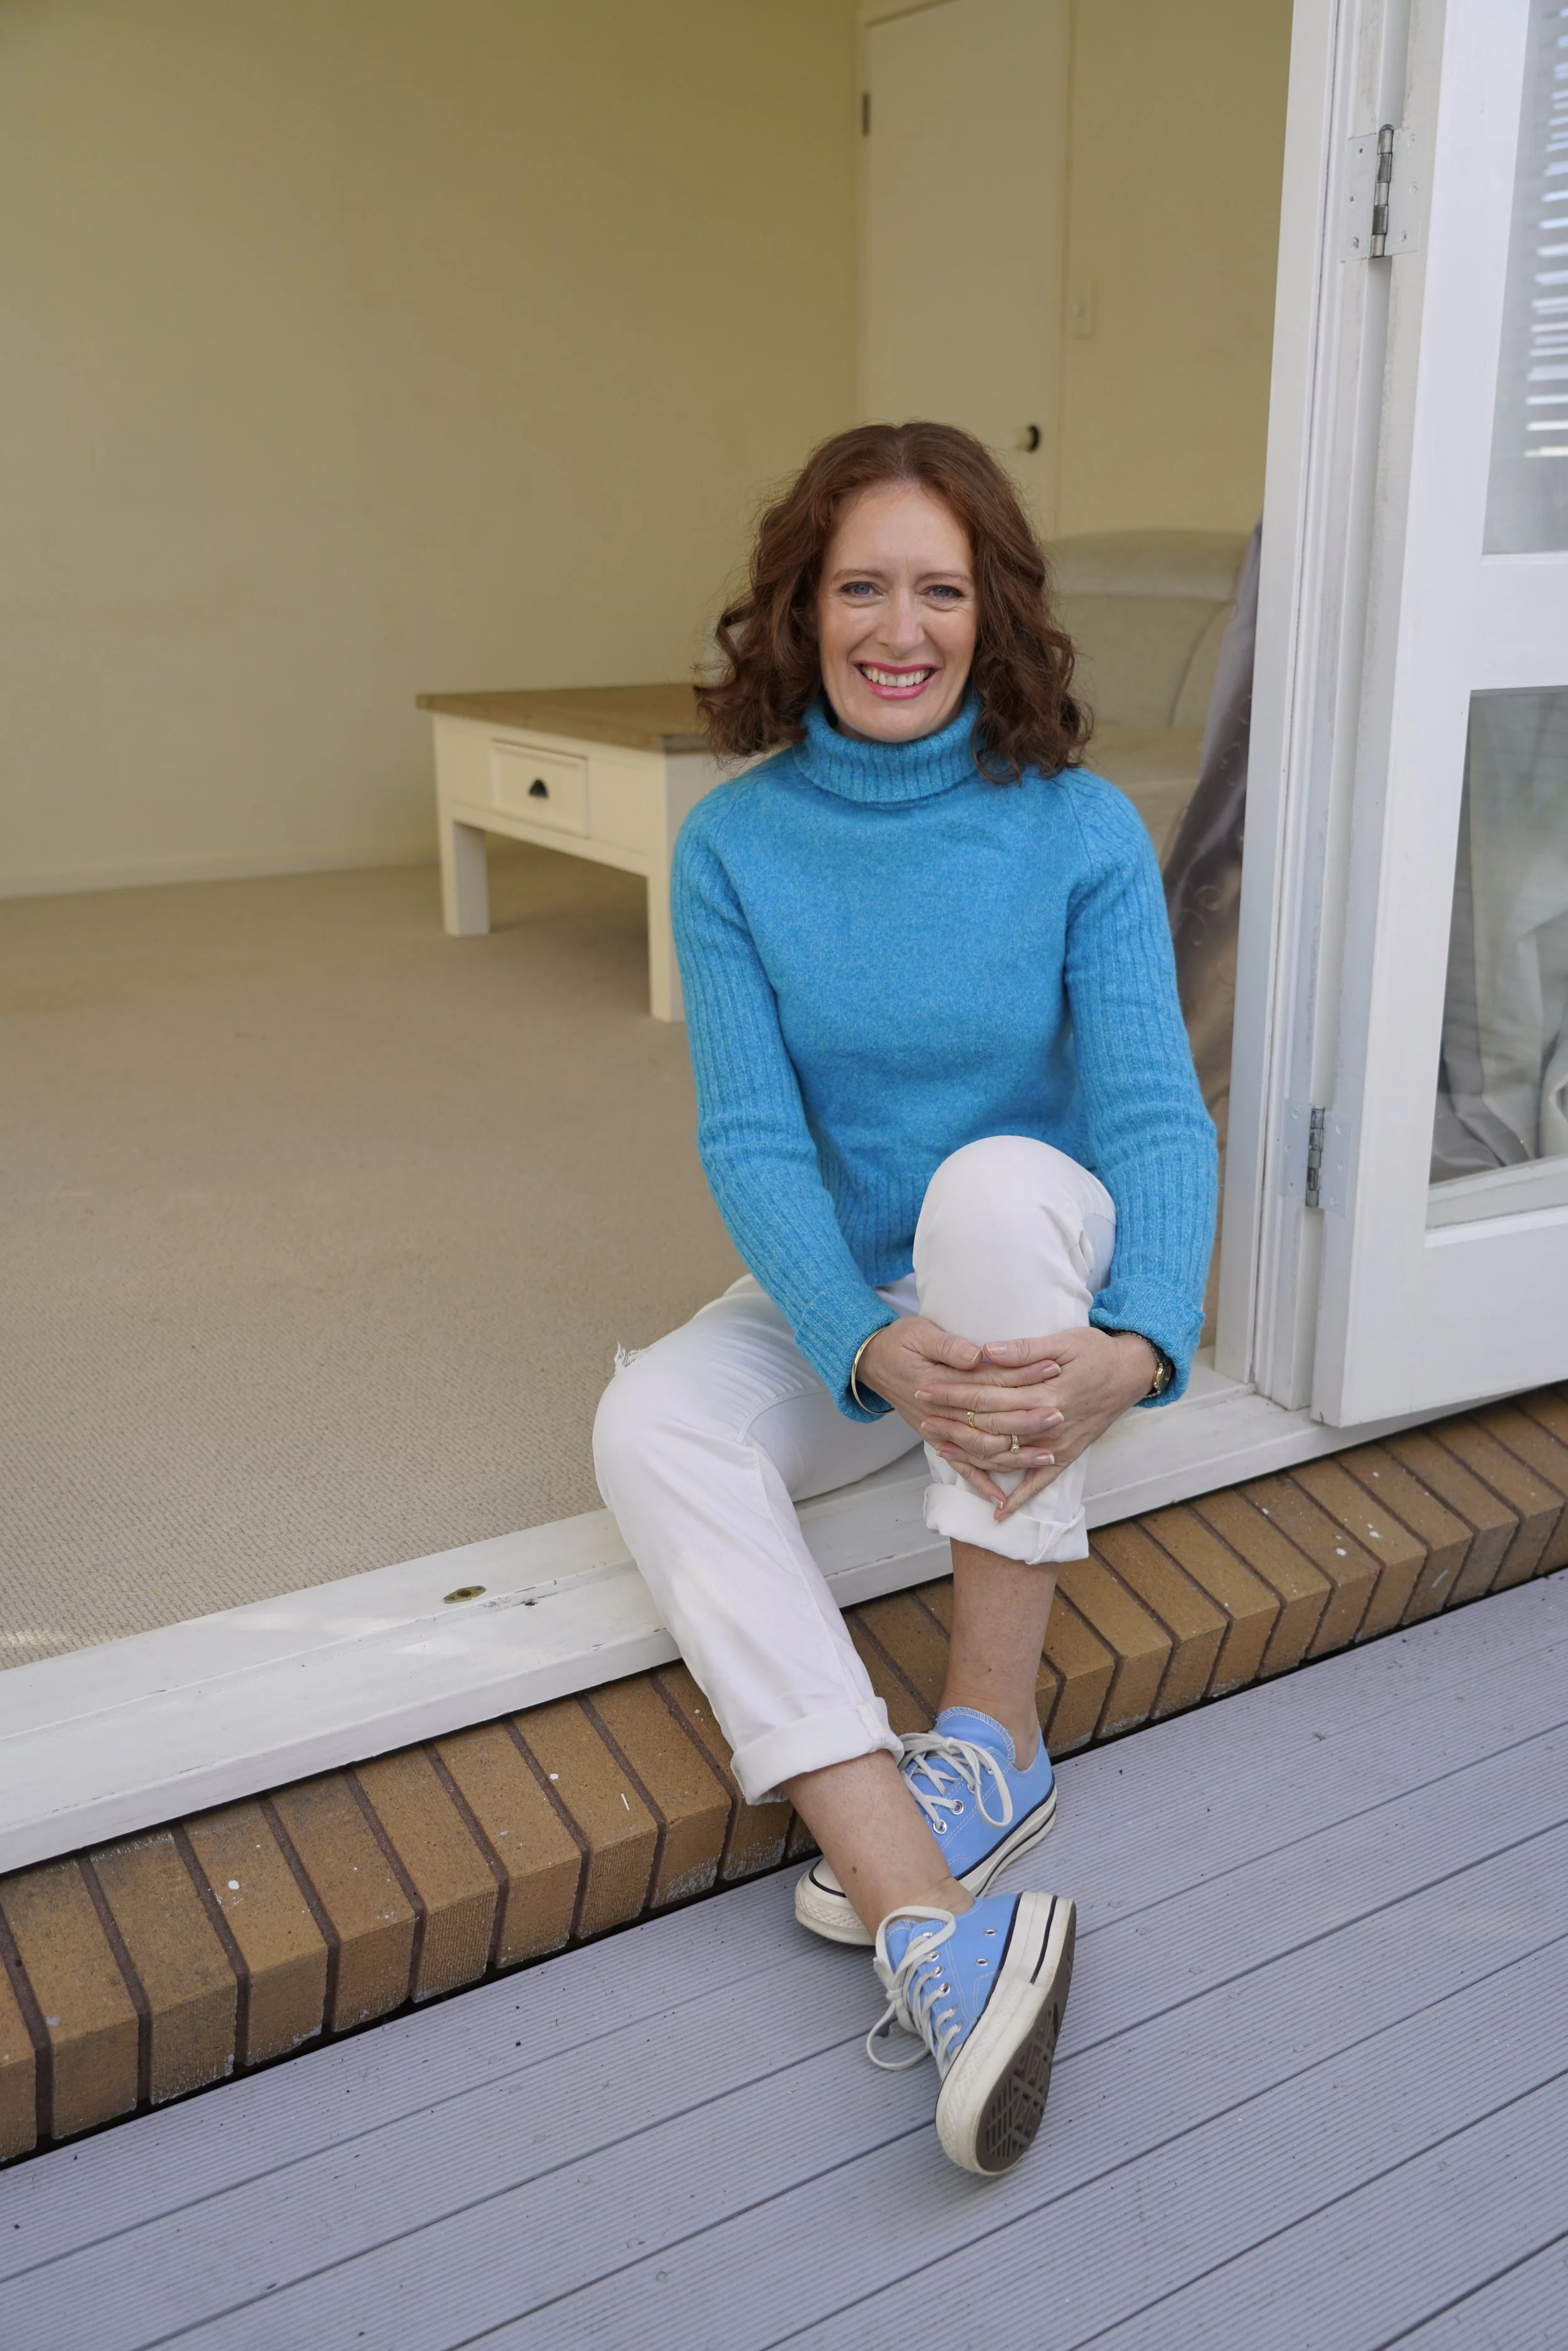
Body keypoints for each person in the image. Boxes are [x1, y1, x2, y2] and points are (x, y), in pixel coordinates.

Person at [594, 422, 1216, 2178]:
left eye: (939, 590)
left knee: (990, 1184)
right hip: (877, 1309)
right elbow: (751, 1137)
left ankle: (993, 1732)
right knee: (648, 1419)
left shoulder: (1077, 827)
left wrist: (1139, 1341)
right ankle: (925, 1920)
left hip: (1022, 1271)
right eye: (858, 586)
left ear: (989, 612)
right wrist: (859, 1337)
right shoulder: (735, 843)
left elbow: (1155, 1112)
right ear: (799, 610)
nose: (898, 628)